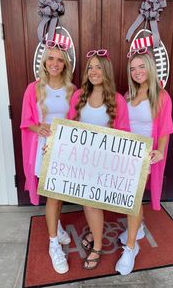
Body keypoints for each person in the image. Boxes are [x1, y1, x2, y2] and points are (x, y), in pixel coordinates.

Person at [67, 49, 130, 270]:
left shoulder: (117, 100)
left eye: (99, 67)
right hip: (82, 161)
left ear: (107, 71)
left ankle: (97, 247)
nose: (94, 71)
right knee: (87, 201)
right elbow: (69, 128)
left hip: (104, 163)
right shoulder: (78, 96)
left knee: (92, 203)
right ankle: (95, 235)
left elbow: (124, 134)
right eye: (90, 67)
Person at [115, 47, 173, 275]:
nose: (137, 72)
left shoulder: (161, 95)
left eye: (141, 67)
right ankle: (137, 228)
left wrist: (160, 150)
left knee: (132, 198)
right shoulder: (128, 95)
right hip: (126, 152)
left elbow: (165, 128)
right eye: (133, 68)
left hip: (144, 155)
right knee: (131, 197)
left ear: (149, 67)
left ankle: (131, 248)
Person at [20, 42, 76, 274]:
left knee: (59, 192)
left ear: (65, 64)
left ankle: (58, 226)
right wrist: (39, 127)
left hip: (65, 147)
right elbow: (25, 121)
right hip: (44, 148)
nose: (54, 63)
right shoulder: (33, 89)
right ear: (44, 61)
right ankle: (53, 243)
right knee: (52, 195)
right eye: (50, 58)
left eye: (59, 59)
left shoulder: (72, 90)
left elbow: (76, 120)